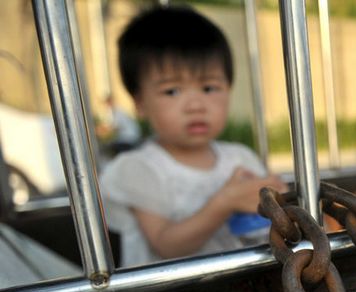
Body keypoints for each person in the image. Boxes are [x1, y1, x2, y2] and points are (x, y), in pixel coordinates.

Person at [100, 6, 286, 267]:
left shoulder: (240, 157)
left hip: (243, 289)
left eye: (209, 88)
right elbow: (167, 245)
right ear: (140, 103)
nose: (195, 105)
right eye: (172, 91)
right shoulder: (138, 168)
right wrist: (224, 202)